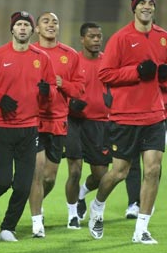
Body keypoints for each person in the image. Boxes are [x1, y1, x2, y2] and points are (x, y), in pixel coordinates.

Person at [88, 0, 167, 244]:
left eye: (150, 4)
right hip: (125, 116)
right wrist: (136, 72)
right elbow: (105, 74)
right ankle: (97, 206)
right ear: (134, 9)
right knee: (119, 172)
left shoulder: (164, 38)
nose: (147, 7)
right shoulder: (121, 38)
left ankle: (141, 230)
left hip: (154, 115)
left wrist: (164, 73)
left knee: (153, 170)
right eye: (142, 4)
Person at [0, 11, 57, 242]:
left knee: (23, 185)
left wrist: (46, 91)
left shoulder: (42, 58)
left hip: (30, 127)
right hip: (2, 127)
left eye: (26, 25)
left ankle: (7, 228)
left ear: (32, 31)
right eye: (19, 24)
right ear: (12, 29)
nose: (22, 28)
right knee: (2, 180)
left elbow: (51, 89)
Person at [28, 12, 85, 238]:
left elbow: (80, 89)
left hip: (58, 120)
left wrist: (64, 84)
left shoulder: (69, 55)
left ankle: (37, 202)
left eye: (55, 22)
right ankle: (36, 220)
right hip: (33, 120)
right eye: (46, 21)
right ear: (37, 29)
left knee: (49, 177)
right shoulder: (28, 52)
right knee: (36, 172)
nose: (51, 25)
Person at [124, 50, 167, 219]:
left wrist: (165, 75)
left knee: (154, 163)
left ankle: (146, 200)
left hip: (157, 111)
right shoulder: (129, 47)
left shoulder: (165, 49)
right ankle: (134, 203)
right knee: (132, 160)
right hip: (131, 110)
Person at [65, 22, 111, 225]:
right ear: (82, 39)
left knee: (101, 176)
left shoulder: (108, 61)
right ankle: (72, 214)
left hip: (100, 124)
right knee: (74, 170)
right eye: (92, 36)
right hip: (75, 121)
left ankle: (83, 192)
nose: (96, 40)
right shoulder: (73, 60)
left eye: (99, 36)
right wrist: (70, 101)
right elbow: (63, 87)